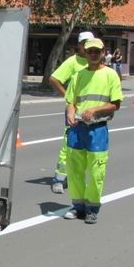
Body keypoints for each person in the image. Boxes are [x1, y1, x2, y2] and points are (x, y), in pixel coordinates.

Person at [63, 37, 123, 224]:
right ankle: (77, 206)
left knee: (96, 171)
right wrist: (70, 114)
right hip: (77, 129)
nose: (94, 54)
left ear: (104, 52)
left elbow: (116, 104)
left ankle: (92, 208)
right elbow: (70, 101)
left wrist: (95, 110)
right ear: (85, 53)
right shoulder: (78, 75)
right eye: (90, 51)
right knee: (74, 170)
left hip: (97, 130)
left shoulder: (110, 75)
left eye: (97, 51)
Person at [48, 31, 94, 194]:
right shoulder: (73, 62)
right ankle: (59, 179)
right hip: (75, 110)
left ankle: (77, 177)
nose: (88, 46)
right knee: (69, 142)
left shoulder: (94, 61)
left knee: (87, 146)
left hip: (92, 111)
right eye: (85, 43)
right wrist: (68, 97)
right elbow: (54, 79)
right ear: (79, 45)